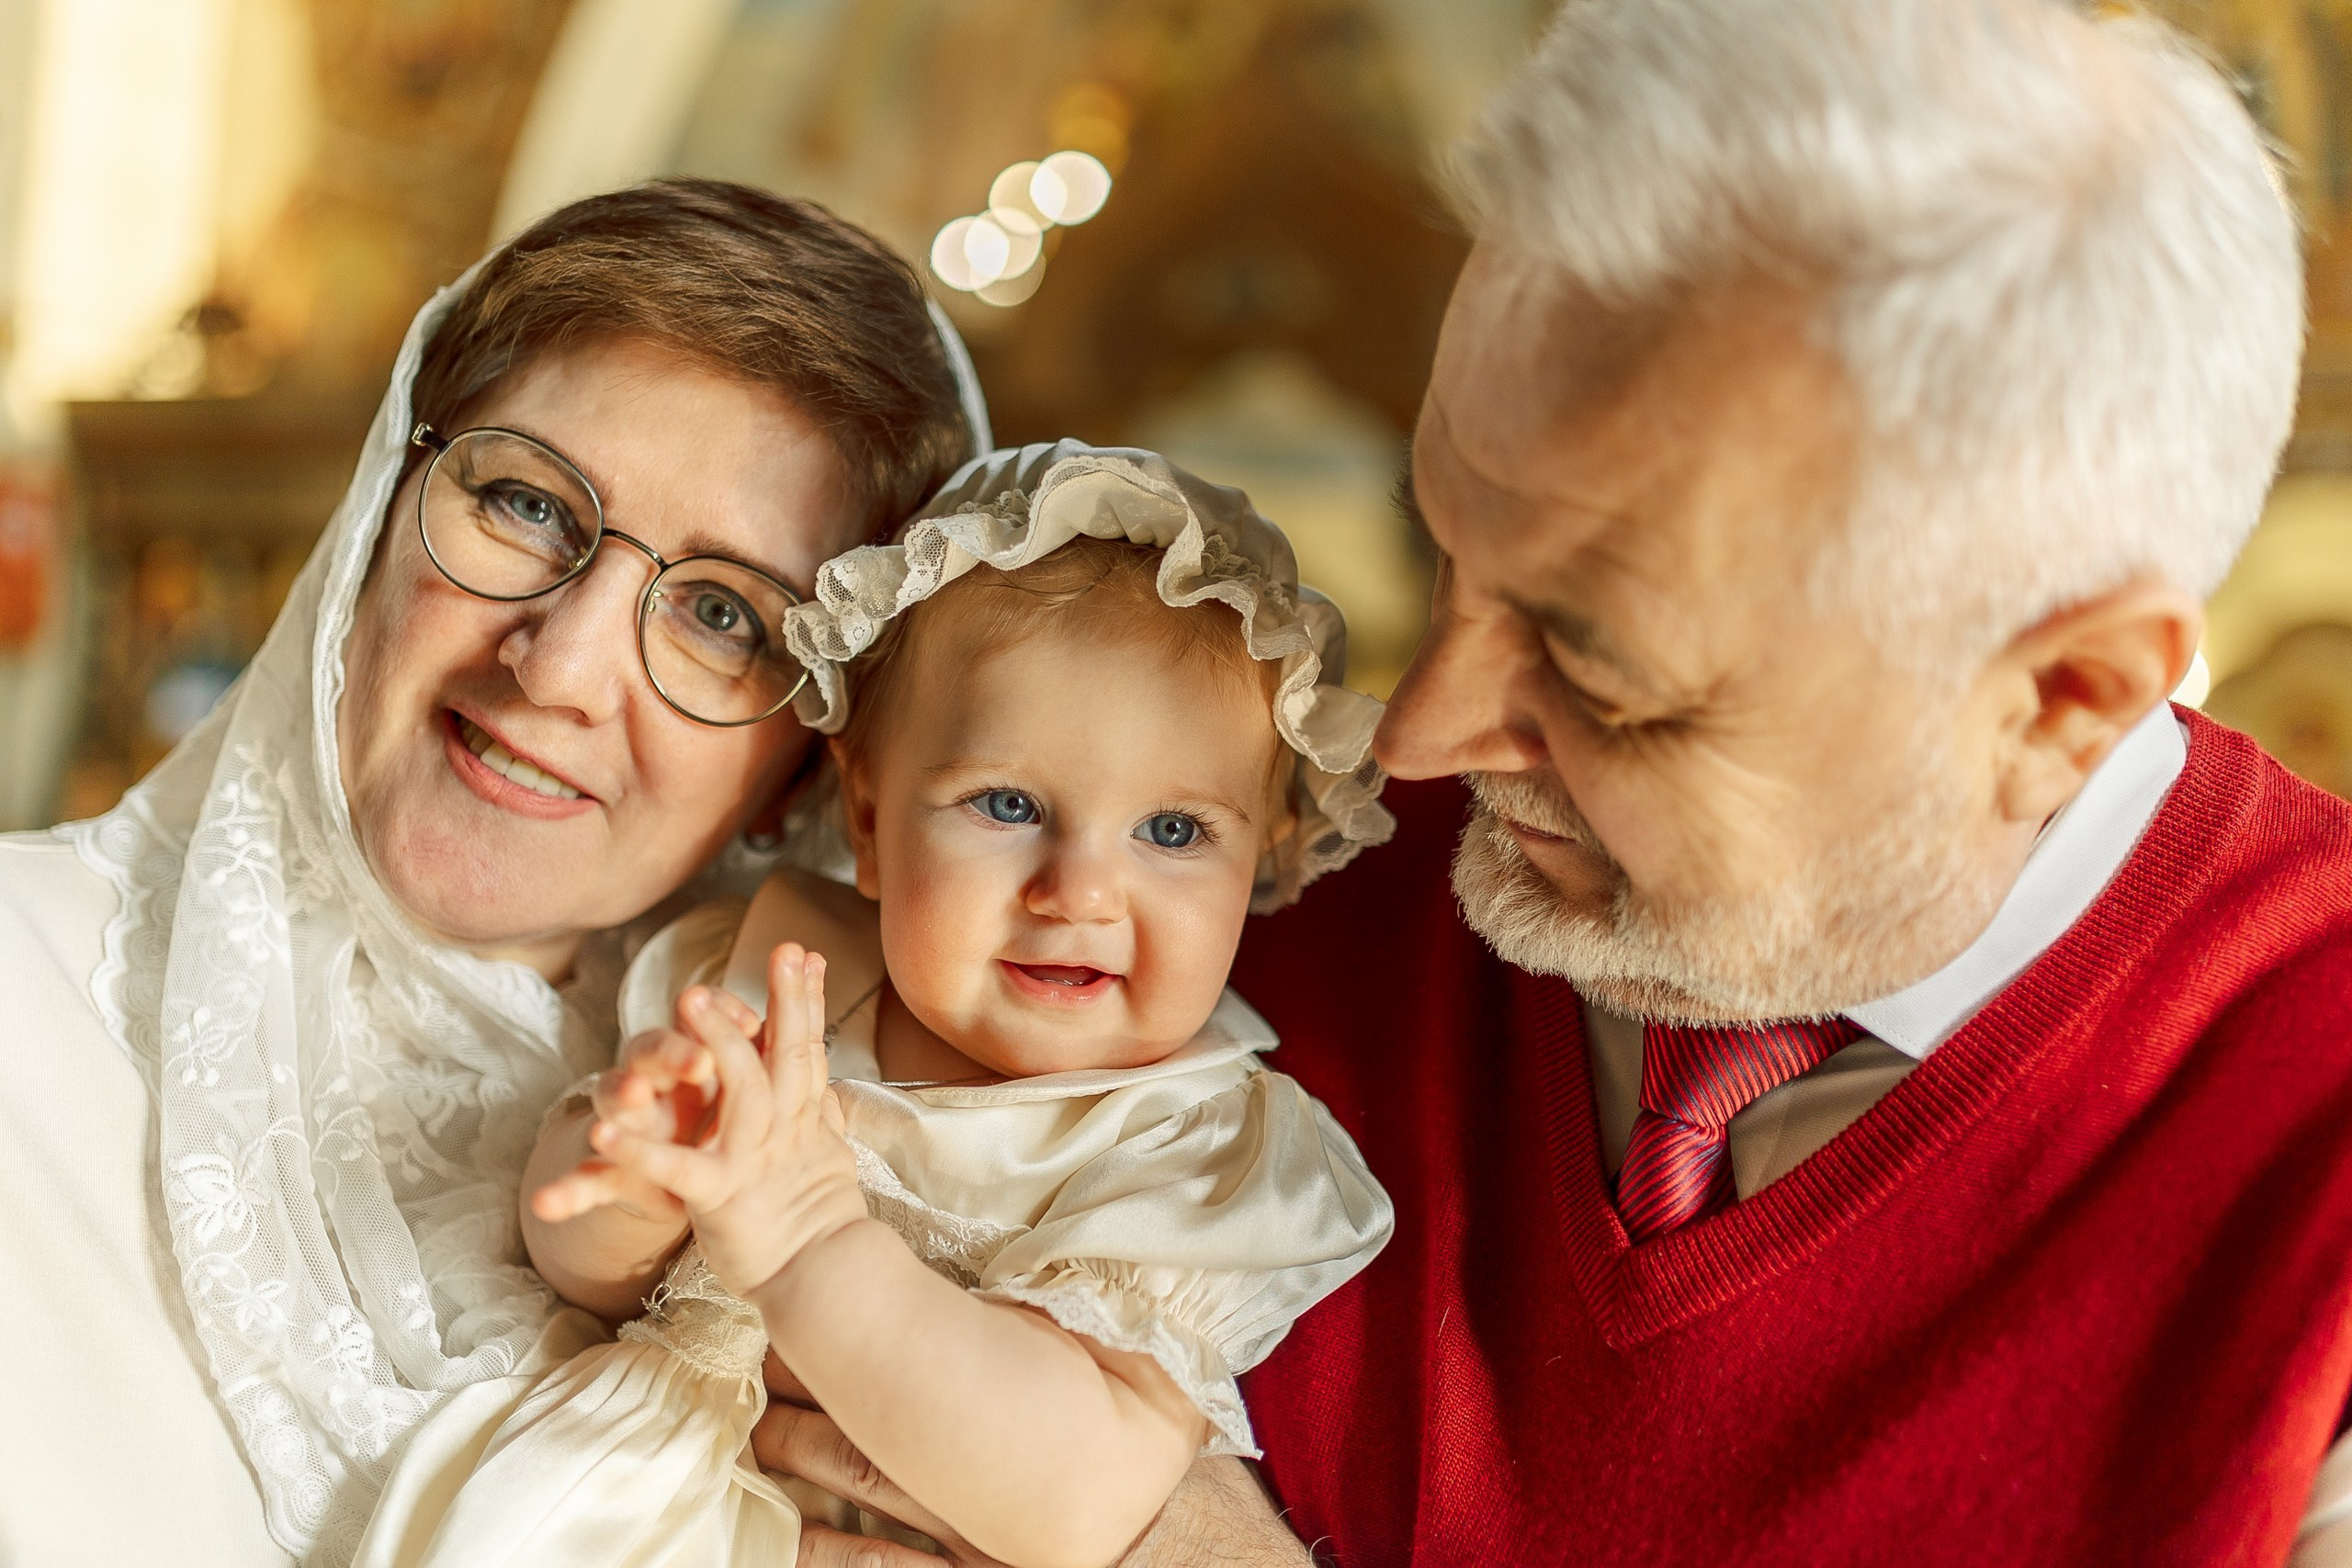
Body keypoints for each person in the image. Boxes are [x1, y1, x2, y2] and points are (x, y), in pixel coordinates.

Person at [1203, 0, 2352, 1563]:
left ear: (2062, 699)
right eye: (1445, 546)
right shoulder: (1200, 877)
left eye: (1601, 665)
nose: (1415, 735)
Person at [0, 178, 980, 1568]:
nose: (561, 665)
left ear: (813, 767)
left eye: (721, 614)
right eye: (525, 500)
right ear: (380, 512)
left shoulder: (886, 1220)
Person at [353, 444, 1395, 1568]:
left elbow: (1078, 1501)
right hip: (617, 1509)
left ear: (1266, 856)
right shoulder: (774, 974)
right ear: (866, 816)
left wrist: (807, 1245)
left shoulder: (1192, 1145)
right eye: (1006, 804)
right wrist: (633, 1175)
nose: (1080, 892)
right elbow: (581, 1271)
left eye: (1174, 831)